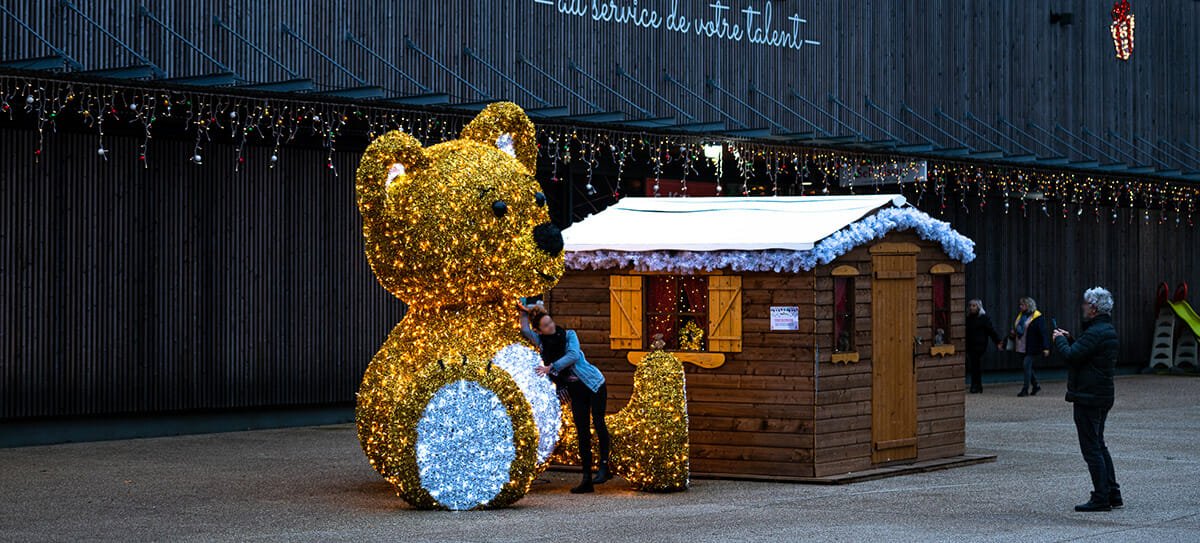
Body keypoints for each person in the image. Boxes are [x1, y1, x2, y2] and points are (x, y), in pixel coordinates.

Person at [518, 303, 611, 494]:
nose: (551, 326)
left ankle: (604, 466)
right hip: (576, 390)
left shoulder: (569, 335)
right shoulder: (541, 342)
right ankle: (587, 479)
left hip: (594, 384)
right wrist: (524, 310)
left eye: (550, 322)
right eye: (546, 325)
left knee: (598, 422)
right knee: (582, 431)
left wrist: (551, 367)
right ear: (540, 331)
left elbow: (573, 355)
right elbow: (525, 330)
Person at [1053, 287, 1121, 512]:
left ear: (1093, 308)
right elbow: (1087, 354)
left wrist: (1060, 341)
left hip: (1089, 396)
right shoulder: (1106, 330)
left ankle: (1101, 497)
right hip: (1102, 395)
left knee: (1091, 448)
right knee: (1099, 444)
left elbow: (1071, 356)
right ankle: (1112, 492)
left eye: (1085, 304)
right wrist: (1071, 339)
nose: (1082, 307)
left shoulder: (1095, 332)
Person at [1009, 297, 1050, 397]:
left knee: (1026, 365)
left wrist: (1046, 347)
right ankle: (1036, 386)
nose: (1020, 306)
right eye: (1020, 304)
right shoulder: (1021, 316)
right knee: (1027, 367)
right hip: (1021, 345)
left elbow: (1043, 333)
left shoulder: (1038, 317)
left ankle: (1025, 389)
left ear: (1028, 305)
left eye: (1022, 305)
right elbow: (1017, 328)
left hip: (1032, 346)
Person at [965, 299, 1002, 393]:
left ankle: (975, 385)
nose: (971, 308)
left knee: (975, 364)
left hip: (980, 345)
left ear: (978, 307)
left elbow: (991, 331)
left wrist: (998, 341)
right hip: (970, 345)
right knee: (975, 365)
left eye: (974, 306)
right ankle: (978, 385)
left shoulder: (983, 318)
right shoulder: (968, 318)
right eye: (970, 306)